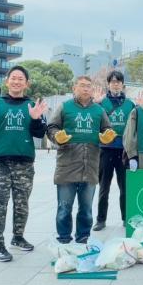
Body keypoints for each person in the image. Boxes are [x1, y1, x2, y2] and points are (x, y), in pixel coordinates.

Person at [0, 66, 48, 262]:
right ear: (7, 81)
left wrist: (36, 119)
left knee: (22, 203)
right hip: (0, 163)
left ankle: (18, 237)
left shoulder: (33, 105)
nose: (16, 81)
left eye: (20, 79)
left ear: (26, 83)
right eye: (13, 78)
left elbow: (40, 133)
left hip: (24, 162)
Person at [47, 75, 116, 244]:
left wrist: (108, 137)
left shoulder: (99, 111)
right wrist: (57, 136)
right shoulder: (64, 107)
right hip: (67, 166)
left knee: (86, 210)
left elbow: (108, 129)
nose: (86, 89)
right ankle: (63, 240)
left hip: (90, 166)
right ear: (74, 88)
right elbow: (51, 127)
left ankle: (83, 239)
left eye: (88, 86)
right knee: (64, 208)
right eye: (82, 85)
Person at [92, 70, 135, 231]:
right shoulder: (101, 103)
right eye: (112, 81)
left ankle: (126, 218)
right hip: (105, 150)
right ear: (108, 84)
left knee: (125, 187)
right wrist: (94, 102)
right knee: (104, 187)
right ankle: (101, 220)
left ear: (122, 84)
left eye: (118, 81)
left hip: (124, 151)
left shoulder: (130, 104)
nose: (115, 84)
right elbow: (92, 118)